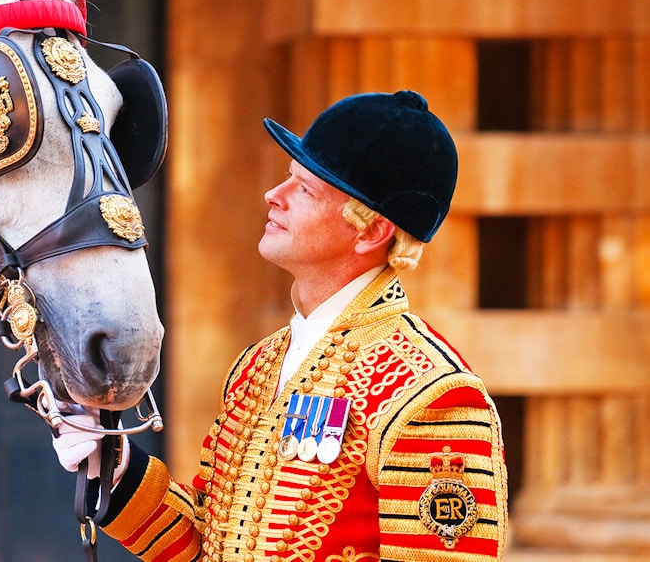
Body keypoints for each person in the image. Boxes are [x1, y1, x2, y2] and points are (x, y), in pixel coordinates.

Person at [53, 90, 508, 561]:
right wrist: (117, 468)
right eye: (289, 177)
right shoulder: (258, 365)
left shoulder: (432, 394)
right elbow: (208, 545)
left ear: (371, 230)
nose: (274, 195)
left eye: (306, 189)